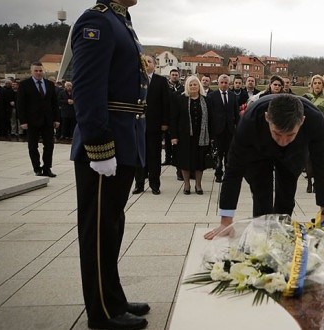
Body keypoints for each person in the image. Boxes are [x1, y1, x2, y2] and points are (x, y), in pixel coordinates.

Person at [70, 1, 150, 328]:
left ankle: (113, 298)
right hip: (108, 143)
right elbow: (88, 89)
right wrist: (99, 147)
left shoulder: (120, 21)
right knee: (99, 230)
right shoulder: (97, 21)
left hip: (125, 138)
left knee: (112, 226)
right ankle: (102, 313)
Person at [204, 94, 324, 240]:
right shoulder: (249, 120)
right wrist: (225, 221)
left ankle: (282, 233)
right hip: (259, 150)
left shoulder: (314, 119)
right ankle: (261, 234)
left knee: (287, 192)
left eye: (290, 134)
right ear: (267, 117)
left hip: (294, 151)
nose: (283, 141)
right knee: (261, 190)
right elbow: (234, 169)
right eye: (277, 134)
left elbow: (322, 164)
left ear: (302, 121)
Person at [133, 54, 170, 195]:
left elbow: (166, 103)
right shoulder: (136, 79)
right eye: (144, 61)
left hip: (155, 125)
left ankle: (155, 184)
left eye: (149, 61)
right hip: (138, 124)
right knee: (139, 155)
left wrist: (165, 122)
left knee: (154, 155)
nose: (146, 63)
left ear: (154, 65)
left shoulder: (161, 81)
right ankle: (139, 184)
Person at [170, 76, 212, 194]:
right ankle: (187, 185)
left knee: (200, 162)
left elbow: (211, 119)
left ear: (199, 86)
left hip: (202, 137)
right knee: (185, 161)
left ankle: (198, 185)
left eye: (195, 84)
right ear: (187, 86)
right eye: (191, 85)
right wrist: (173, 136)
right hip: (184, 137)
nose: (193, 87)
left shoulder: (206, 100)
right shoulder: (180, 99)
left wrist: (212, 136)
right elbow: (174, 119)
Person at [18, 62, 60, 177]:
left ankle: (47, 168)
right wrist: (23, 121)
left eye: (40, 70)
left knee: (49, 145)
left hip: (48, 120)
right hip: (32, 121)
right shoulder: (24, 84)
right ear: (31, 71)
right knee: (33, 146)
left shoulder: (50, 84)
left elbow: (54, 103)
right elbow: (21, 104)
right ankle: (37, 168)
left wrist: (57, 119)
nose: (38, 73)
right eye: (36, 70)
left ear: (43, 71)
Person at [302, 75, 324, 193]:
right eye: (315, 83)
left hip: (320, 132)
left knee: (318, 159)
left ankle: (316, 183)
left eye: (320, 83)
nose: (317, 85)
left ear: (323, 85)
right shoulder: (305, 98)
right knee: (308, 159)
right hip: (307, 132)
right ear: (311, 85)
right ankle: (309, 181)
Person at [208, 74, 239, 183]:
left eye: (226, 83)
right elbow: (210, 115)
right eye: (222, 82)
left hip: (230, 130)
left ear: (229, 84)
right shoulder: (212, 96)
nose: (224, 85)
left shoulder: (233, 96)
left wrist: (237, 128)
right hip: (217, 130)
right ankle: (218, 174)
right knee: (218, 154)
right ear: (218, 83)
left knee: (229, 154)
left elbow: (236, 114)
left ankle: (228, 173)